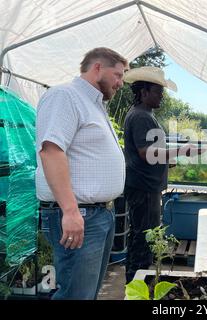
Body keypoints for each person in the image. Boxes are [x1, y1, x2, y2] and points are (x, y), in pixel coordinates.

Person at [35, 47, 128, 299]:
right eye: (118, 75)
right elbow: (51, 152)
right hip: (81, 214)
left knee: (86, 293)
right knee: (76, 294)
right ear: (97, 67)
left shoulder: (94, 104)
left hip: (99, 214)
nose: (120, 83)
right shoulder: (65, 96)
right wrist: (71, 211)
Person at [123, 66, 205, 283]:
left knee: (142, 235)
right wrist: (182, 150)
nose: (161, 96)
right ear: (144, 92)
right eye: (158, 91)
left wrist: (166, 160)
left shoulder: (145, 114)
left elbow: (151, 152)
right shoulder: (141, 116)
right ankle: (138, 284)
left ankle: (135, 282)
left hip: (145, 186)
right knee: (144, 237)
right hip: (143, 188)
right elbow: (145, 152)